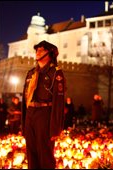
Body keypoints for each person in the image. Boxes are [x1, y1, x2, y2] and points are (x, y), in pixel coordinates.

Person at [22, 40, 66, 169]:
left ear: (50, 53)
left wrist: (56, 128)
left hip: (45, 114)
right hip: (30, 114)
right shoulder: (31, 73)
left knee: (45, 153)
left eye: (41, 50)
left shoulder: (56, 73)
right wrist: (24, 123)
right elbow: (25, 100)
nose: (37, 52)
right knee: (31, 152)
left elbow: (59, 102)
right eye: (37, 50)